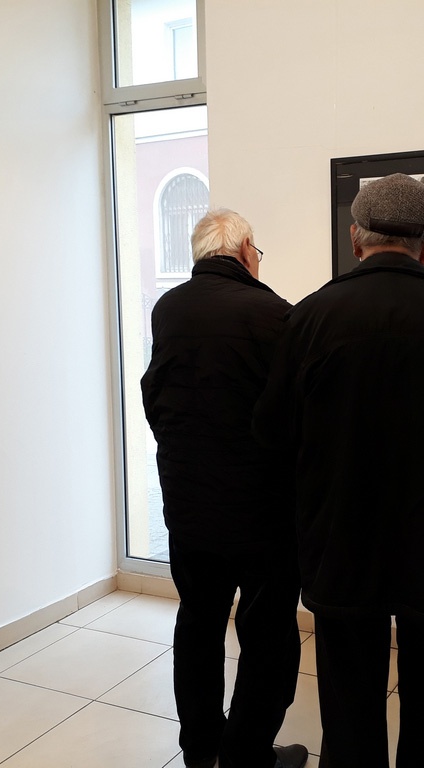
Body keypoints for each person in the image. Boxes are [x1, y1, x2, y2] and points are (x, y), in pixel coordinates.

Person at [253, 174, 424, 768]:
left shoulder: (311, 318)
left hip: (340, 550)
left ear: (355, 239)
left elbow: (273, 444)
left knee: (348, 716)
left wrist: (288, 554)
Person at [140, 208, 308, 768]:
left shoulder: (168, 309)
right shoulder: (274, 313)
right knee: (267, 635)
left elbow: (155, 395)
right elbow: (291, 416)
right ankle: (246, 755)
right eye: (257, 251)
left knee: (199, 622)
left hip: (189, 505)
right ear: (243, 250)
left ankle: (200, 747)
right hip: (262, 513)